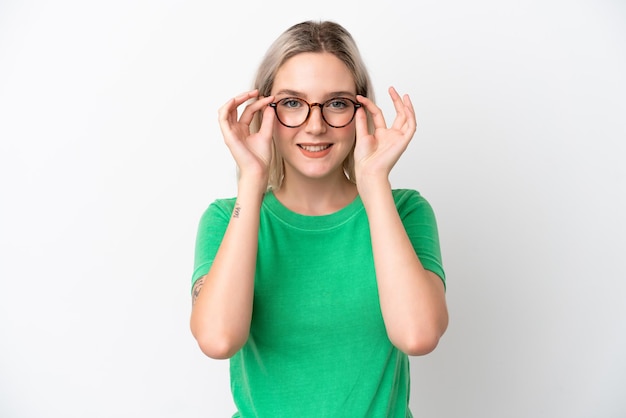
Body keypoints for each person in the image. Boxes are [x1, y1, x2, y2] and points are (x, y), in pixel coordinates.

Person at [190, 20, 448, 417]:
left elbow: (418, 334)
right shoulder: (227, 218)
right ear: (265, 112)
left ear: (361, 110)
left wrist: (374, 181)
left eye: (337, 103)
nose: (315, 125)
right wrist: (252, 181)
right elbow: (218, 339)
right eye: (292, 102)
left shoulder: (406, 211)